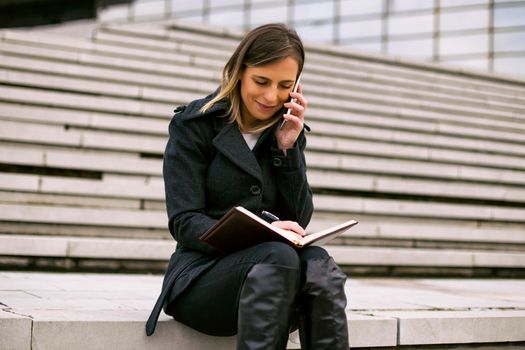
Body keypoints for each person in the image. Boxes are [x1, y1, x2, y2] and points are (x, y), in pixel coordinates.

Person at [146, 23, 349, 350]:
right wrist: (264, 230)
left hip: (274, 280)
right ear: (240, 71)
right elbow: (184, 221)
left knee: (318, 263)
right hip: (202, 280)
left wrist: (287, 150)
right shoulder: (195, 125)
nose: (271, 96)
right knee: (277, 254)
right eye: (261, 81)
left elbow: (298, 218)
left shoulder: (288, 133)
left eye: (284, 85)